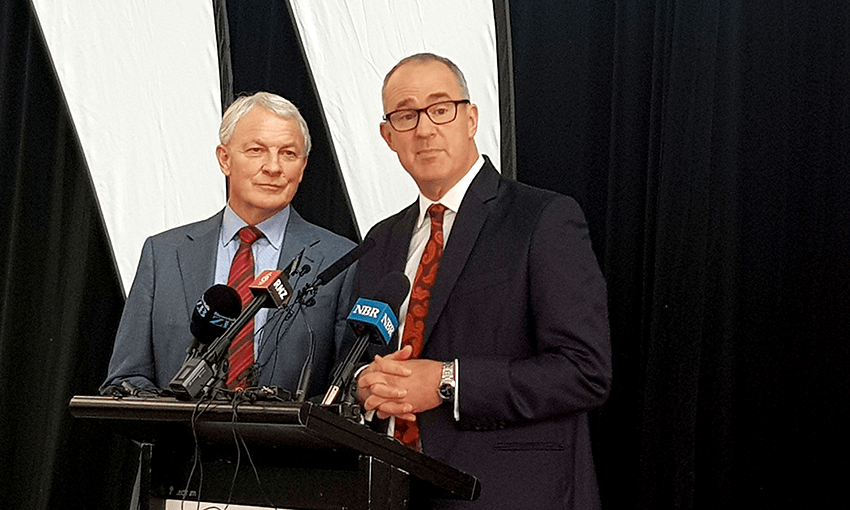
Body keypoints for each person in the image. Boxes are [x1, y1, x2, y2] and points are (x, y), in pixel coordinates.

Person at [353, 53, 612, 509]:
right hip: (390, 492)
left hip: (506, 493)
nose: (425, 128)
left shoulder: (542, 218)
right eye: (406, 115)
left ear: (470, 118)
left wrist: (448, 382)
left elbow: (584, 371)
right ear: (388, 135)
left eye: (440, 108)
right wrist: (364, 383)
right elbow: (357, 355)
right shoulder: (380, 240)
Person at [102, 92, 355, 398]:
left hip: (286, 445)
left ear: (302, 167)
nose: (273, 167)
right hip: (184, 443)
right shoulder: (164, 254)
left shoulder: (339, 261)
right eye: (256, 150)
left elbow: (346, 389)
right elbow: (126, 379)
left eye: (288, 154)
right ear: (225, 159)